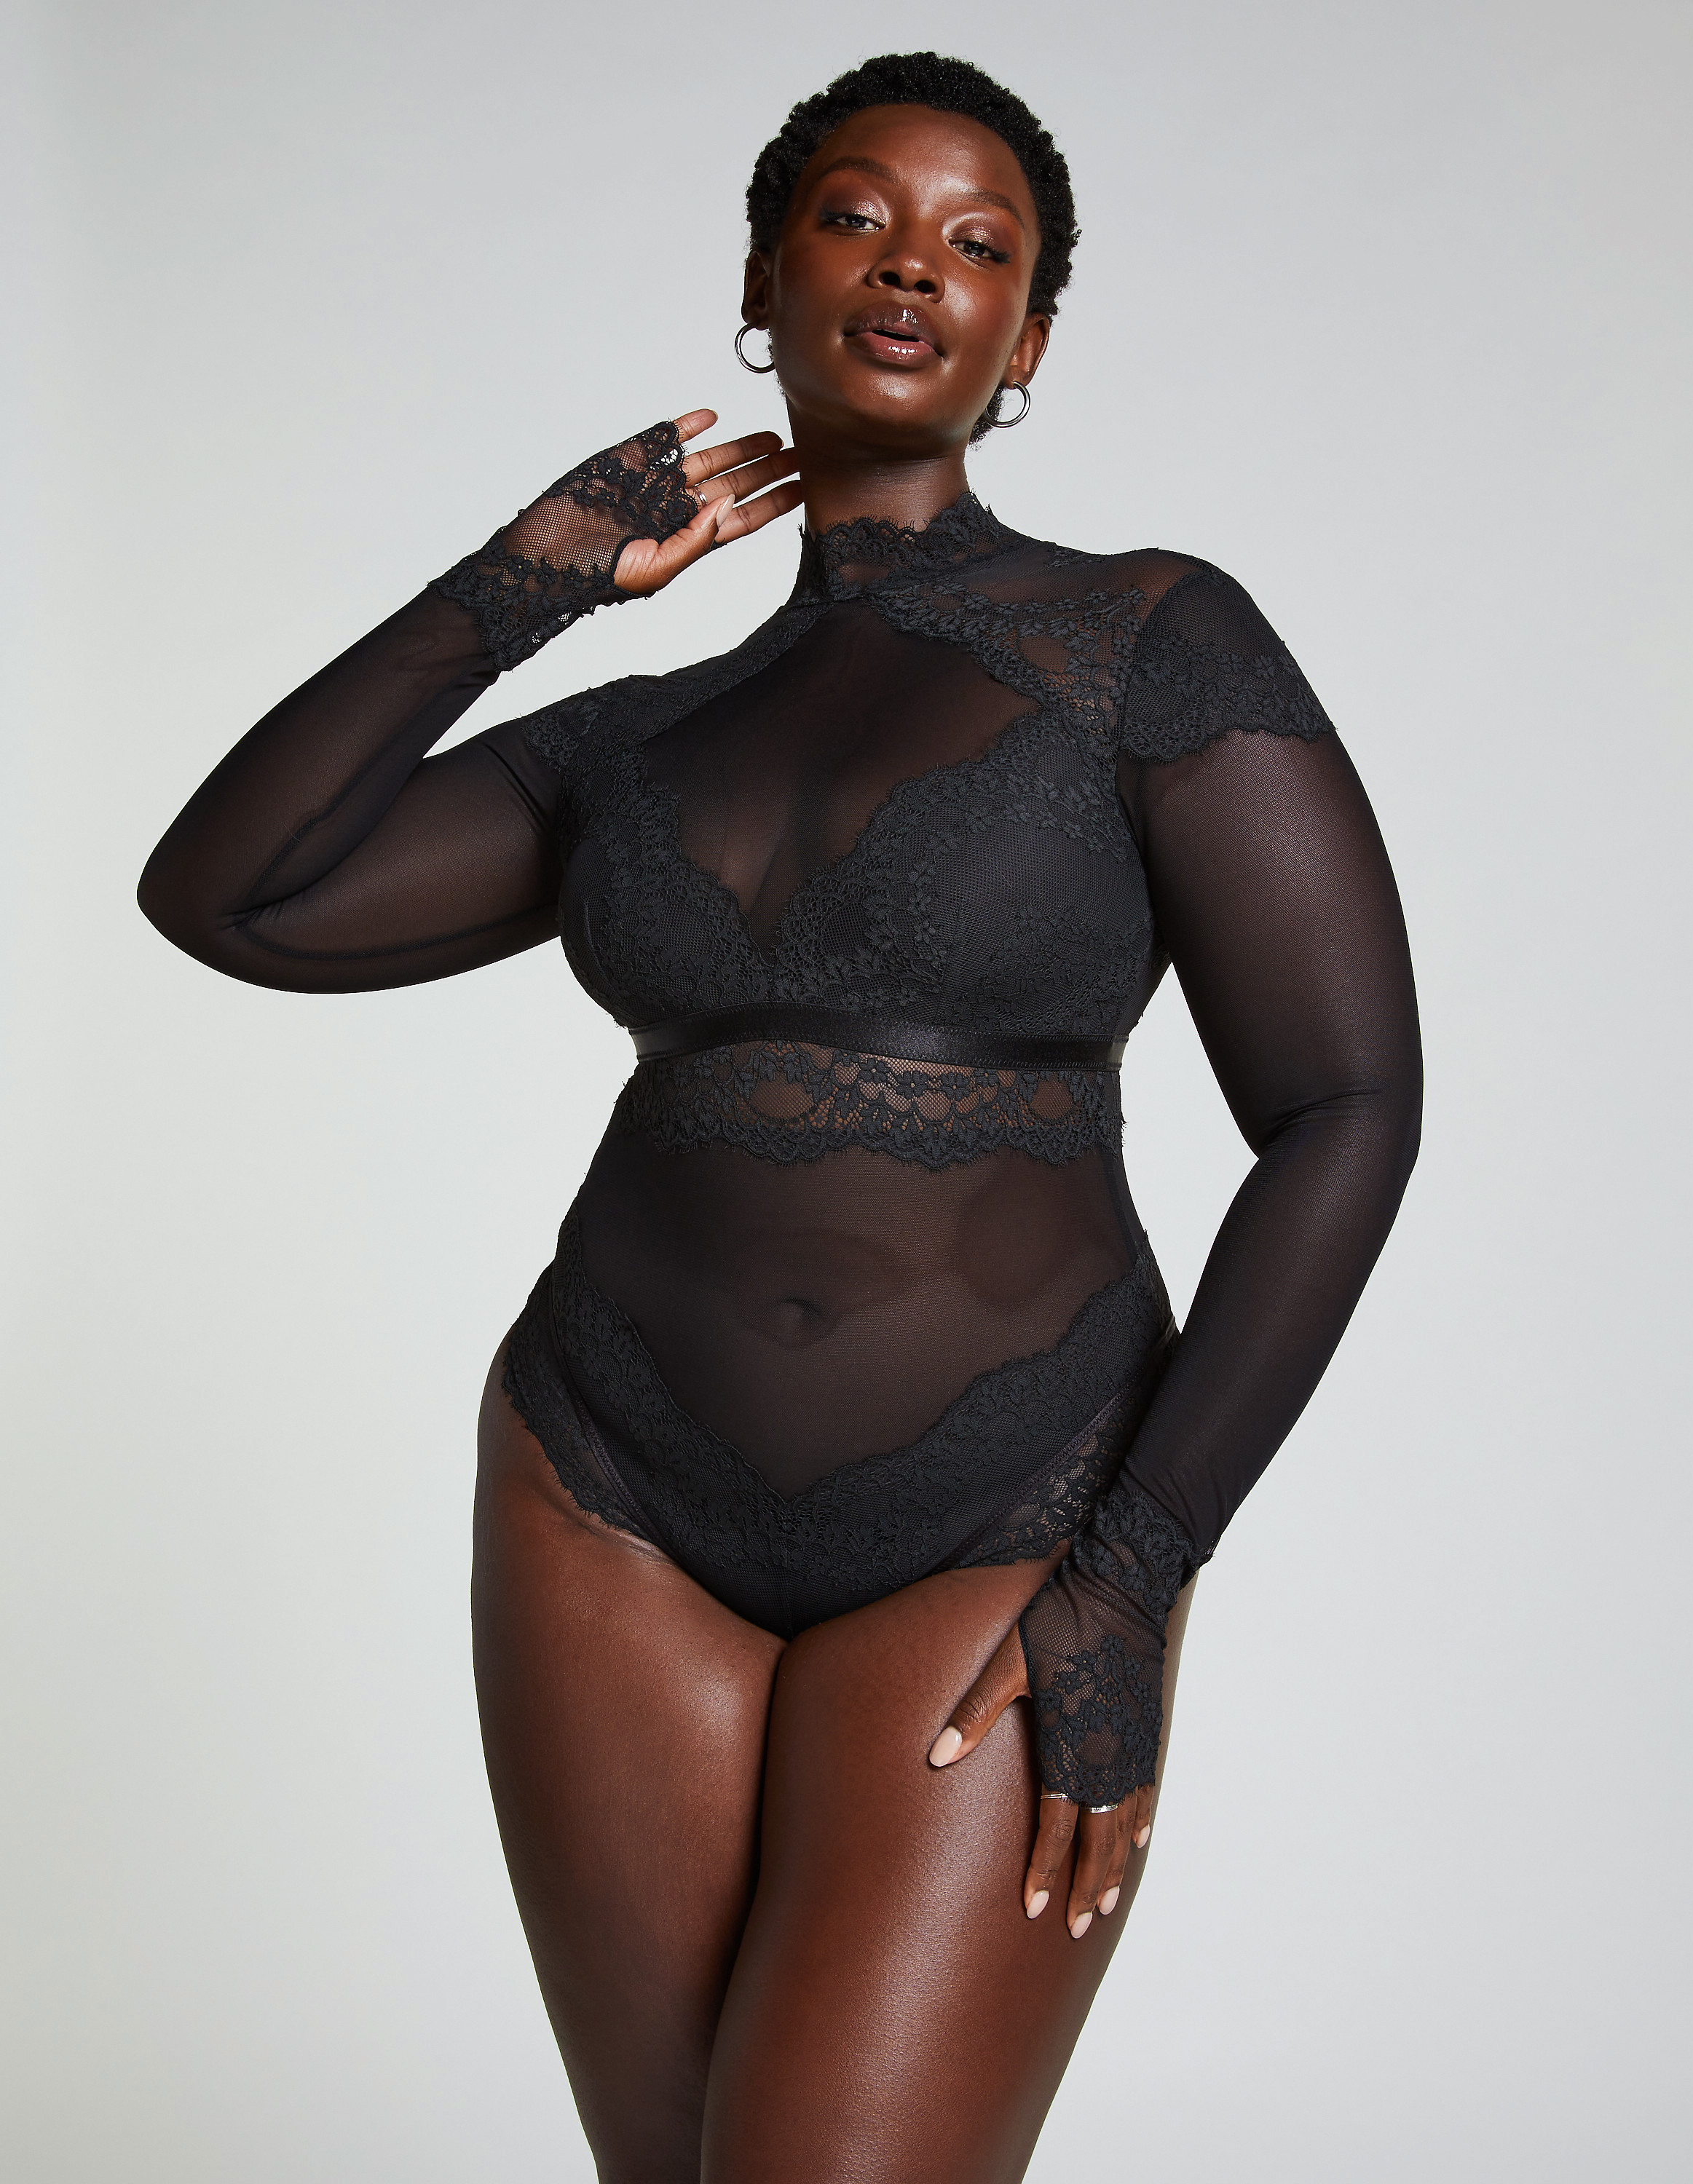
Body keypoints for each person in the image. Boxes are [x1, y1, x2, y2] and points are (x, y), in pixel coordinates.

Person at [139, 50, 1421, 2184]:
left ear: (1028, 339)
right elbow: (231, 896)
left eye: (978, 245)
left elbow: (1347, 1108)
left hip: (1014, 1513)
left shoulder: (1144, 640)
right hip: (606, 1499)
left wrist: (1134, 1577)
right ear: (762, 280)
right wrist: (518, 584)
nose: (912, 266)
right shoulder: (638, 739)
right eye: (854, 217)